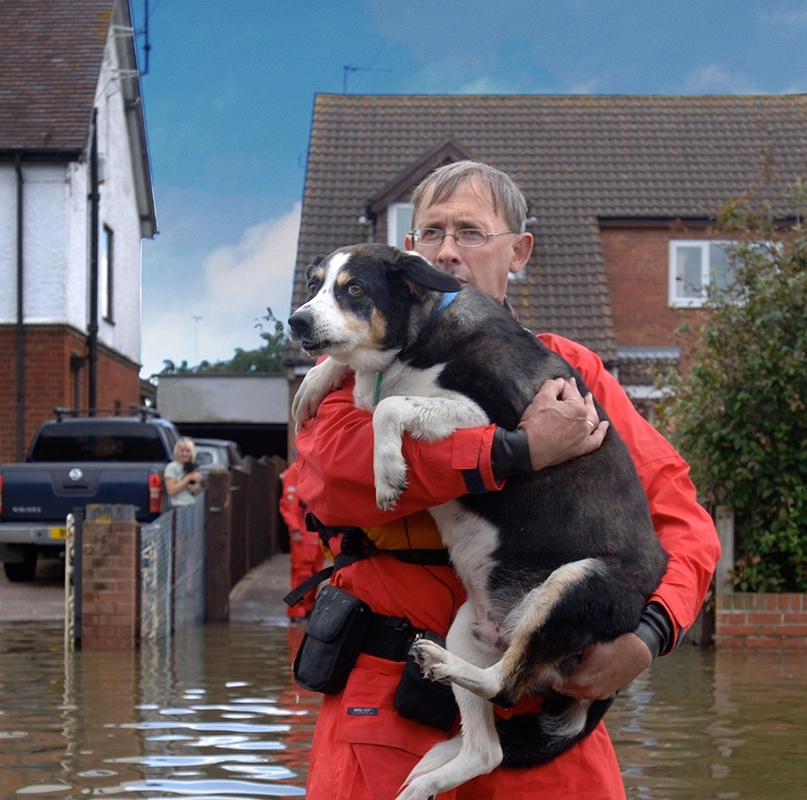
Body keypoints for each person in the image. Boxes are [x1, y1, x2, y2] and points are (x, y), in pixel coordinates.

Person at [293, 160, 721, 799]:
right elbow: (333, 480)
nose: (446, 251)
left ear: (517, 251)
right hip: (389, 706)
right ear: (408, 257)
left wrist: (649, 635)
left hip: (544, 722)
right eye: (430, 234)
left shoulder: (571, 369)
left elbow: (681, 521)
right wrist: (514, 451)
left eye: (469, 233)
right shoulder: (355, 368)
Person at [279, 461, 323, 619]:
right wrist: (294, 528)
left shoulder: (318, 466)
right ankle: (296, 610)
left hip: (318, 528)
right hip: (304, 528)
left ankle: (309, 607)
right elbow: (289, 502)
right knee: (302, 571)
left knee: (316, 571)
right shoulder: (296, 470)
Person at [163, 437, 203, 508]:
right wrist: (188, 477)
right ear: (177, 452)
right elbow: (171, 491)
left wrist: (196, 487)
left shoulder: (193, 467)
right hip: (177, 506)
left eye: (188, 451)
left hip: (192, 504)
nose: (185, 454)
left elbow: (199, 490)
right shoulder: (171, 467)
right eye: (182, 451)